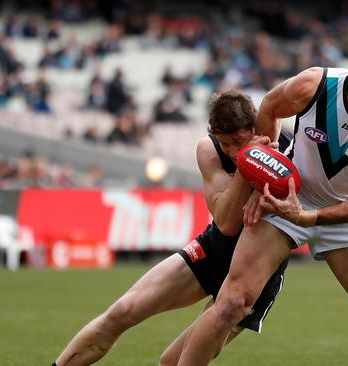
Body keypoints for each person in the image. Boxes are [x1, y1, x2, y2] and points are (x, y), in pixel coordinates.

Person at [176, 11, 348, 366]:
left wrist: (310, 218)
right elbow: (270, 108)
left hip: (345, 216)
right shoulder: (316, 86)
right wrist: (267, 176)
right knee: (231, 303)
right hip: (287, 200)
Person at [52, 90, 288, 366]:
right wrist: (250, 162)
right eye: (226, 144)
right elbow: (226, 222)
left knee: (172, 362)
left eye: (239, 141)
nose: (233, 151)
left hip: (258, 269)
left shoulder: (287, 148)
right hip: (215, 250)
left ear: (254, 126)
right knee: (122, 311)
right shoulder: (208, 149)